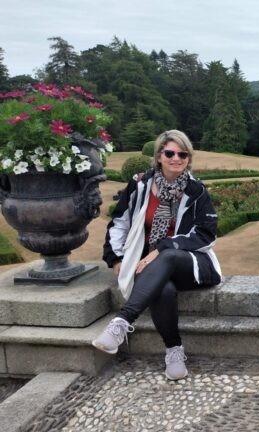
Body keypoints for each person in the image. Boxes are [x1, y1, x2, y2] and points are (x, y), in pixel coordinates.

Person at [93, 130, 222, 380]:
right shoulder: (140, 185)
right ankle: (174, 351)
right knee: (163, 289)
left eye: (183, 154)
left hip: (190, 262)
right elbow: (119, 222)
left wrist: (163, 248)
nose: (176, 158)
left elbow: (206, 234)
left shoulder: (196, 190)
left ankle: (121, 322)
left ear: (188, 158)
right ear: (159, 156)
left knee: (169, 256)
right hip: (148, 265)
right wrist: (116, 258)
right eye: (170, 153)